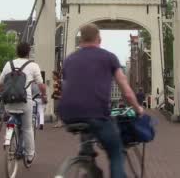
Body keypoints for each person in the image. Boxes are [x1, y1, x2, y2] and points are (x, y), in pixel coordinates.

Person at [59, 24, 145, 178]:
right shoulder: (108, 57)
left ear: (80, 40)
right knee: (116, 151)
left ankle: (86, 159)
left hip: (67, 114)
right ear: (99, 39)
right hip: (96, 113)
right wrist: (138, 108)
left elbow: (67, 87)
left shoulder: (69, 60)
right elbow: (126, 91)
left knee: (87, 133)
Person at [0, 42, 47, 164]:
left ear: (16, 52)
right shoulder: (33, 65)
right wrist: (44, 96)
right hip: (25, 102)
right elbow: (41, 85)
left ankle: (9, 134)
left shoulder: (8, 64)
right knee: (27, 128)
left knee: (11, 115)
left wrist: (2, 92)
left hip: (9, 102)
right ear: (28, 52)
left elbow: (0, 83)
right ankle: (30, 156)